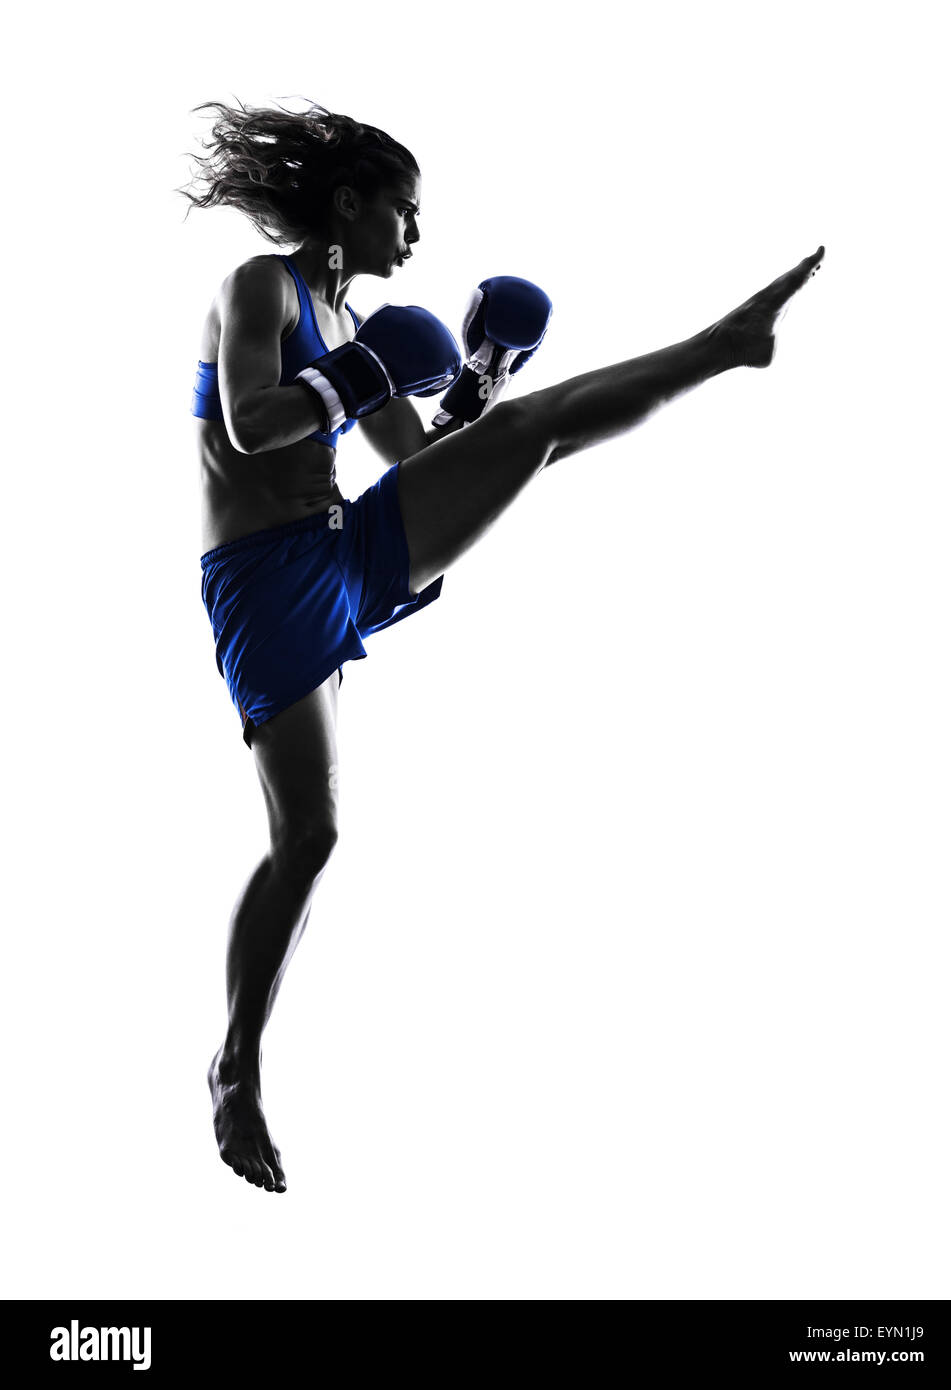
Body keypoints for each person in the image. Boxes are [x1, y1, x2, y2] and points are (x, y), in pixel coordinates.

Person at [182, 99, 824, 1194]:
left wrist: (474, 380)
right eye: (403, 211)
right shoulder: (263, 287)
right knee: (312, 835)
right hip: (266, 578)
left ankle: (723, 345)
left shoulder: (352, 327)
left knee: (527, 437)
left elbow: (415, 450)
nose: (415, 237)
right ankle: (235, 1065)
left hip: (353, 543)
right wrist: (363, 375)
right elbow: (251, 422)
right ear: (348, 204)